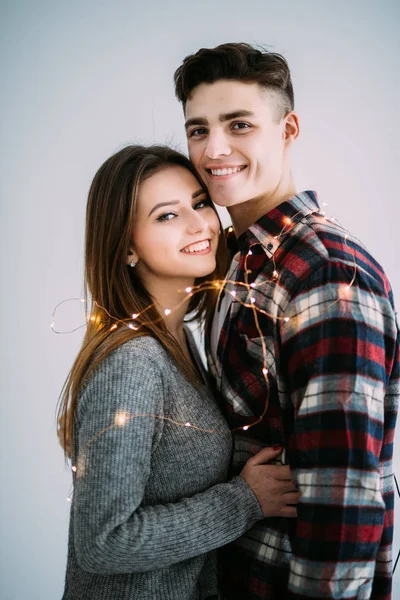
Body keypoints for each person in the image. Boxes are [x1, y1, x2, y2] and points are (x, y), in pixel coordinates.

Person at [174, 43, 400, 599]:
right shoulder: (238, 257)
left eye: (240, 124)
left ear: (288, 129)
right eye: (198, 130)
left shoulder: (325, 273)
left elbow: (341, 498)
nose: (214, 149)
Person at [57, 144, 300, 600]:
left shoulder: (185, 342)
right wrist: (243, 501)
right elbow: (103, 542)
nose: (199, 225)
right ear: (126, 246)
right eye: (167, 215)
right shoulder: (131, 364)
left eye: (200, 202)